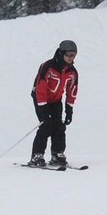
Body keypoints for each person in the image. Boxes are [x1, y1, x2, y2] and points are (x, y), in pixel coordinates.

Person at [29, 39, 79, 168]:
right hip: (41, 99)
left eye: (74, 55)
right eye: (69, 55)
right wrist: (43, 110)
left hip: (56, 100)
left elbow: (72, 91)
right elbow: (40, 88)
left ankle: (57, 153)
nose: (71, 58)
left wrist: (69, 110)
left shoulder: (72, 72)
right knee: (46, 125)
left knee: (59, 126)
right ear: (61, 53)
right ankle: (37, 155)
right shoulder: (48, 67)